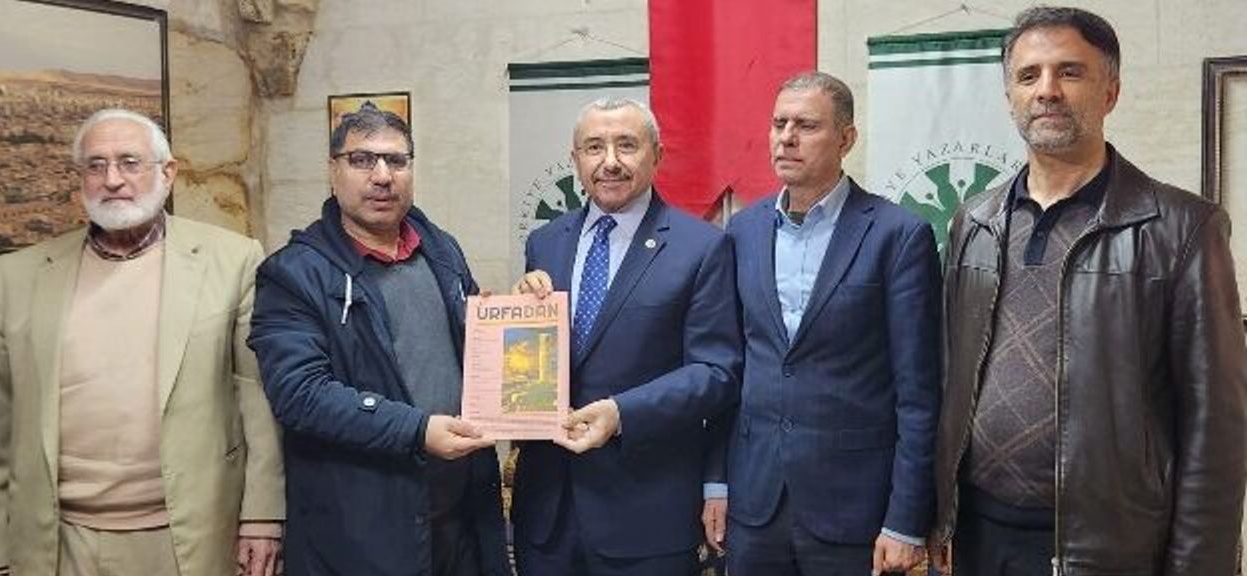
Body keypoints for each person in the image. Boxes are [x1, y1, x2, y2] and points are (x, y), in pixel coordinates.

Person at [931, 6, 1247, 575]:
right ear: (1010, 98)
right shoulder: (973, 221)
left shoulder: (1181, 228)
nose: (1047, 90)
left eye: (1070, 72)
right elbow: (950, 376)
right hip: (978, 536)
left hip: (1109, 547)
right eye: (1029, 76)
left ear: (1111, 92)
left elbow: (1217, 428)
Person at [0, 109, 284, 576]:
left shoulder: (233, 260)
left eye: (129, 162)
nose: (112, 179)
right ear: (80, 179)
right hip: (56, 542)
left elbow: (256, 398)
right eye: (96, 166)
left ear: (168, 173)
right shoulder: (20, 276)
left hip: (189, 536)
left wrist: (262, 517)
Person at [248, 104, 509, 576]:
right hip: (362, 534)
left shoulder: (441, 250)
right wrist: (417, 430)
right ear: (333, 171)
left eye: (397, 160)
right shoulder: (292, 274)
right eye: (362, 160)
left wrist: (514, 318)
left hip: (459, 520)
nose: (383, 176)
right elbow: (300, 394)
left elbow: (466, 352)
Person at [702, 72, 941, 575]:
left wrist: (905, 521)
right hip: (754, 504)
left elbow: (919, 392)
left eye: (806, 126)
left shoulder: (898, 235)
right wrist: (716, 481)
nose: (786, 138)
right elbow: (730, 370)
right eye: (779, 124)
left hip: (854, 508)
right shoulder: (742, 231)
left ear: (846, 139)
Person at [510, 97, 742, 576]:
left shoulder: (702, 247)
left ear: (657, 155)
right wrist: (516, 319)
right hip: (546, 516)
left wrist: (621, 413)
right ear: (575, 158)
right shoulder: (545, 242)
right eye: (594, 147)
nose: (610, 161)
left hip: (646, 516)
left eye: (627, 145)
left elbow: (716, 373)